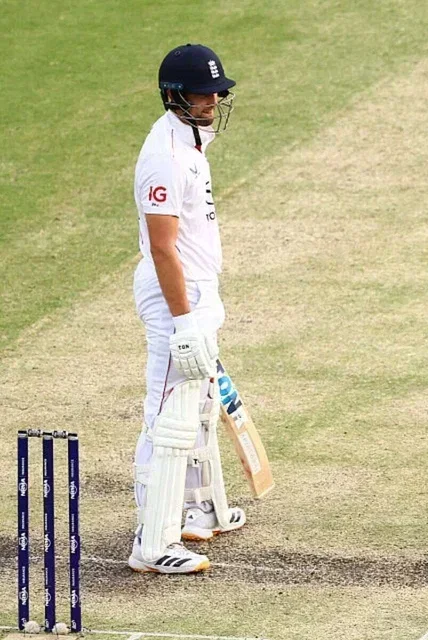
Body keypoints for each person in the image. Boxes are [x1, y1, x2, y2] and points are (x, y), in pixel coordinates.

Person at [130, 43, 246, 574]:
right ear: (175, 95)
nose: (215, 98)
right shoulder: (165, 155)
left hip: (199, 291)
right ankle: (151, 543)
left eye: (218, 90)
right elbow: (161, 248)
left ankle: (194, 513)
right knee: (167, 416)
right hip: (177, 296)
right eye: (206, 91)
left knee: (195, 411)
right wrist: (182, 323)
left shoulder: (190, 143)